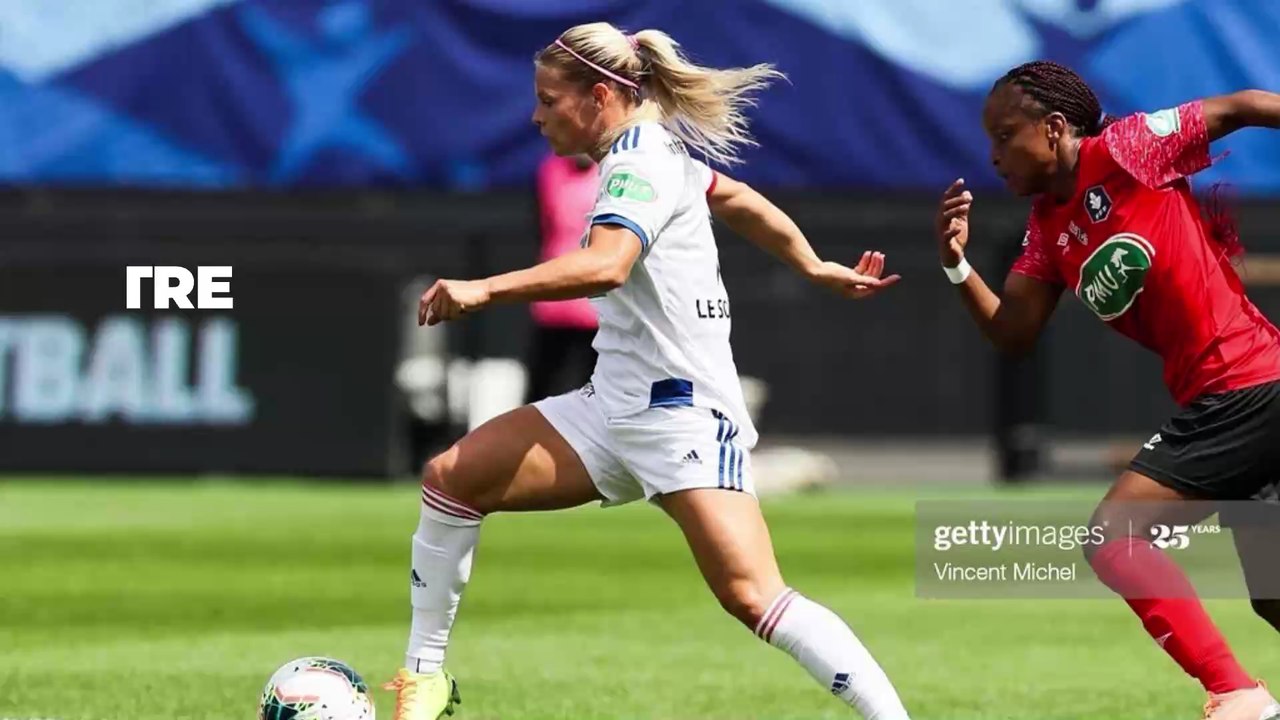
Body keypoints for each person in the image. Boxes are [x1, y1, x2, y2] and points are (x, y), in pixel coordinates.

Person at [381, 21, 911, 720]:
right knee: (452, 480)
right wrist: (810, 262)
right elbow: (736, 198)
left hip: (681, 414)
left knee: (754, 597)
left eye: (547, 99)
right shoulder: (651, 152)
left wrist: (484, 289)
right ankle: (423, 683)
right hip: (611, 407)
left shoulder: (639, 161)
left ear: (599, 96)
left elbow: (608, 264)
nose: (535, 116)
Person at [936, 60, 1280, 720]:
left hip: (1244, 385)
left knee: (1115, 536)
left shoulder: (1128, 148)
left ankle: (1237, 695)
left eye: (1005, 135)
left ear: (1055, 128)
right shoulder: (1044, 229)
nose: (994, 155)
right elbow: (1013, 332)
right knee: (1274, 594)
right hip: (1240, 395)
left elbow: (1238, 106)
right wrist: (956, 266)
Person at [525, 152, 600, 403]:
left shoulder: (616, 171)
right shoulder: (549, 170)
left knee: (597, 394)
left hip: (598, 308)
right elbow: (543, 226)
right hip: (554, 303)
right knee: (540, 388)